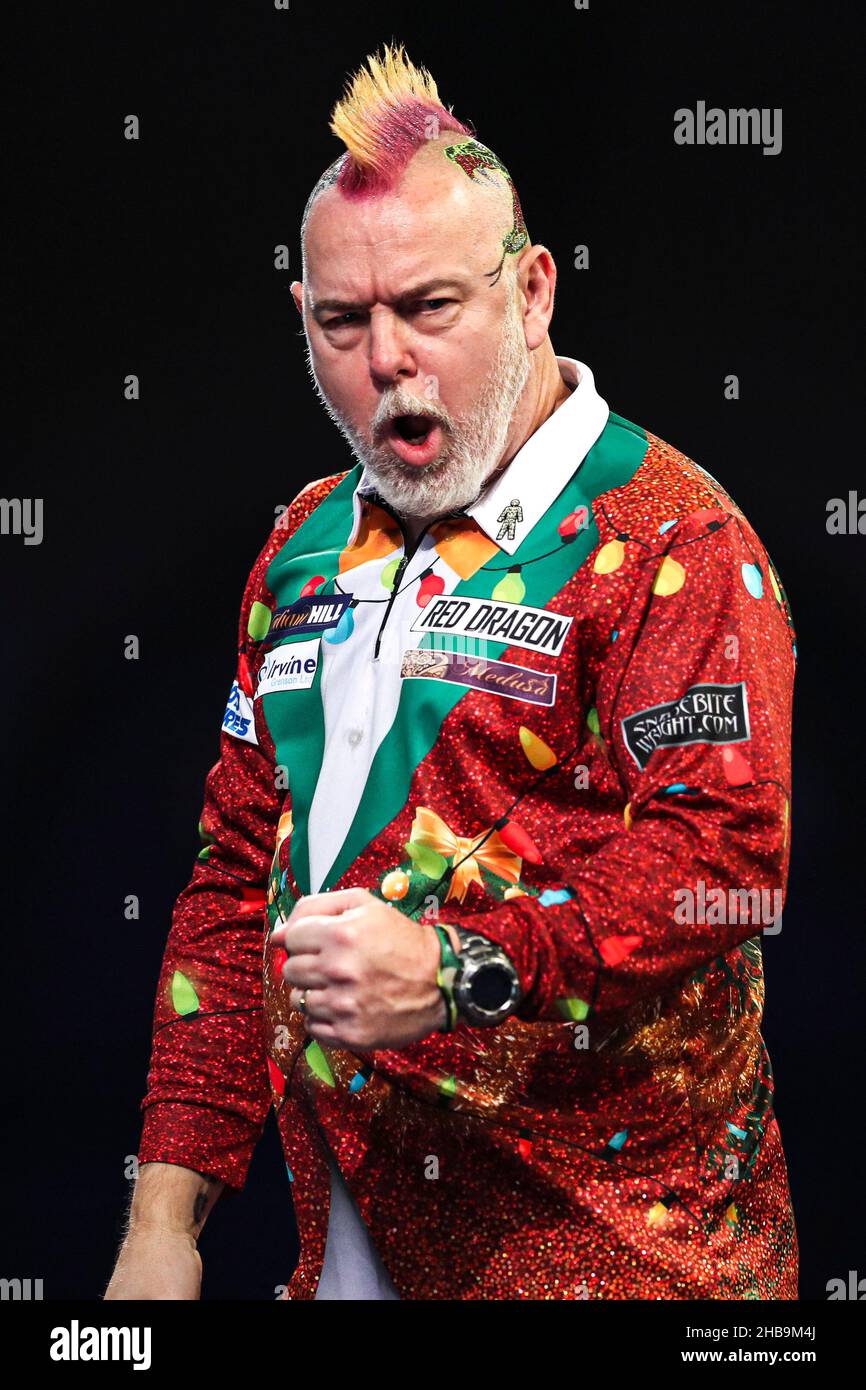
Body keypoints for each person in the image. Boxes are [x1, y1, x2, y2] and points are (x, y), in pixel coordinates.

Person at [106, 42, 798, 1301]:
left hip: (631, 1268)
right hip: (352, 1258)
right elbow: (228, 877)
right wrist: (165, 1220)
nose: (388, 363)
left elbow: (726, 867)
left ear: (532, 292)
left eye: (430, 308)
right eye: (341, 321)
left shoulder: (668, 538)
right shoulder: (302, 549)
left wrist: (455, 969)